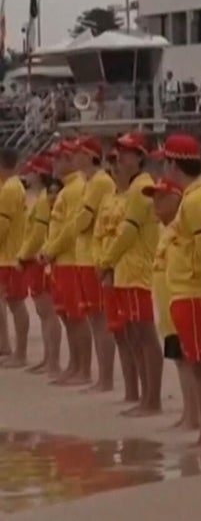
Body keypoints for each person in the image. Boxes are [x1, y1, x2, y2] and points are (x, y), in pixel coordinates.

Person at [153, 133, 201, 460]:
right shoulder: (192, 196)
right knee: (198, 367)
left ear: (173, 163)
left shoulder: (196, 199)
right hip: (185, 293)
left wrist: (200, 280)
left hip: (195, 293)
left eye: (164, 161)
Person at [96, 132, 164, 417]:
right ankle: (142, 395)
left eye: (125, 154)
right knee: (133, 334)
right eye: (116, 154)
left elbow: (129, 231)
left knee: (145, 335)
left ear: (139, 157)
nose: (119, 159)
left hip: (137, 270)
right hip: (125, 269)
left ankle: (152, 399)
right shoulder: (125, 190)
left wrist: (106, 262)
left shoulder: (141, 187)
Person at [40, 140, 92, 387]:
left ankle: (82, 368)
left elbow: (71, 229)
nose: (53, 162)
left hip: (69, 261)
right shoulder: (65, 190)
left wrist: (50, 250)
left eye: (58, 158)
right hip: (61, 261)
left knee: (76, 317)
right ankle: (74, 364)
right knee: (66, 315)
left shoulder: (75, 190)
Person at [150, 178, 200, 432]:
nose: (155, 204)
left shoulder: (181, 228)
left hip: (183, 302)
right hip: (169, 310)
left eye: (161, 197)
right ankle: (188, 412)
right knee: (180, 362)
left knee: (191, 362)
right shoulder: (165, 230)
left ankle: (195, 415)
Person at [71, 136, 119, 394]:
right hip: (83, 255)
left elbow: (82, 222)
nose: (74, 157)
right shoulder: (89, 182)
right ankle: (99, 376)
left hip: (92, 257)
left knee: (100, 321)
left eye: (78, 152)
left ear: (90, 155)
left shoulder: (99, 182)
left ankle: (106, 378)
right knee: (92, 318)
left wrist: (72, 224)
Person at [94, 151, 140, 408]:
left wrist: (108, 265)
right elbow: (99, 234)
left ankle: (140, 391)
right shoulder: (108, 199)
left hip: (124, 270)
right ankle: (130, 391)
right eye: (110, 162)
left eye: (117, 161)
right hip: (107, 271)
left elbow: (126, 236)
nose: (113, 167)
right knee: (118, 333)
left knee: (132, 333)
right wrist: (100, 264)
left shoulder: (131, 197)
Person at [17, 156, 59, 376]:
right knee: (43, 312)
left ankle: (53, 360)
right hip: (35, 257)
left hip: (37, 258)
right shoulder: (39, 198)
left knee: (47, 311)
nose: (27, 174)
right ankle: (48, 357)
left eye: (32, 171)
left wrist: (24, 256)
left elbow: (37, 234)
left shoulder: (43, 200)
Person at [0, 148, 30, 368]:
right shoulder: (13, 186)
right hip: (9, 253)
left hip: (9, 255)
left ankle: (19, 352)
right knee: (11, 303)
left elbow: (2, 224)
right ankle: (8, 347)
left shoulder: (10, 188)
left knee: (16, 304)